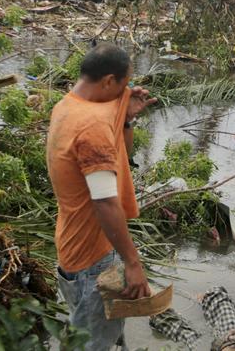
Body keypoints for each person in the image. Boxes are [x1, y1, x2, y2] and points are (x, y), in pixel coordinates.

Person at [46, 43, 157, 351]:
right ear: (109, 81)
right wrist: (132, 263)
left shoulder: (67, 106)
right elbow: (105, 202)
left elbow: (122, 155)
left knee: (84, 332)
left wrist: (126, 118)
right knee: (91, 344)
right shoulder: (92, 127)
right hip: (93, 261)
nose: (126, 92)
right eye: (124, 85)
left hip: (71, 249)